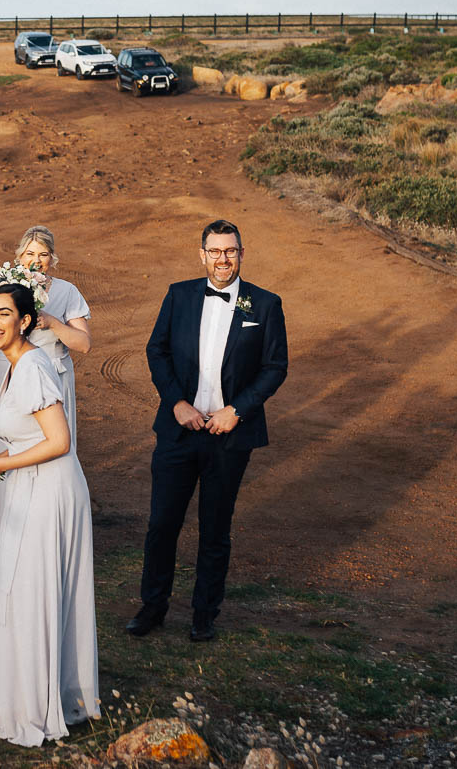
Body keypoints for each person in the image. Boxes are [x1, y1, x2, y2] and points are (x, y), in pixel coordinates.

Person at [128, 219, 288, 642]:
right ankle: (152, 607)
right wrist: (176, 403)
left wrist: (238, 410)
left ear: (241, 253)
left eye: (230, 251)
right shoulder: (179, 295)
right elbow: (156, 350)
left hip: (229, 436)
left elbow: (275, 367)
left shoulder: (265, 305)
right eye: (215, 251)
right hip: (179, 431)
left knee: (215, 528)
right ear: (202, 255)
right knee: (163, 523)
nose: (223, 259)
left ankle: (204, 614)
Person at [0, 283, 98, 748]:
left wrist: (0, 463)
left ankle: (34, 706)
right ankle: (24, 696)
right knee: (14, 590)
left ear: (25, 320)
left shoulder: (35, 366)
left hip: (51, 489)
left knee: (28, 591)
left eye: (5, 313)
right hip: (28, 485)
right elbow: (20, 434)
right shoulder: (10, 367)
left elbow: (60, 441)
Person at [0, 225, 91, 572]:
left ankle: (44, 542)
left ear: (53, 259)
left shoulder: (67, 292)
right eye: (29, 254)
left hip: (50, 378)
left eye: (43, 255)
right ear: (18, 256)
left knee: (50, 450)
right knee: (2, 444)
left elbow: (83, 344)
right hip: (8, 373)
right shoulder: (2, 289)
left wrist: (52, 322)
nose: (36, 261)